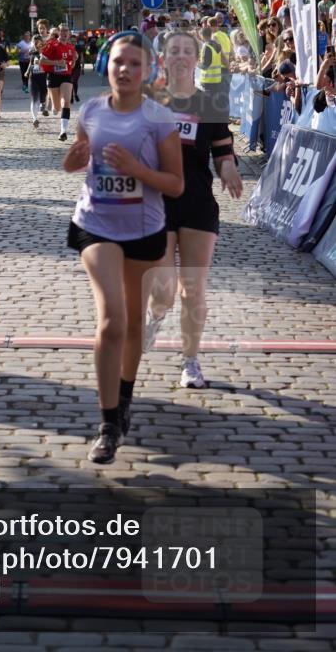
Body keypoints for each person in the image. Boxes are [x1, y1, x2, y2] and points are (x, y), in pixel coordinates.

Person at [63, 31, 183, 463]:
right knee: (112, 319)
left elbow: (175, 183)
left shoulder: (158, 120)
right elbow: (76, 161)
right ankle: (108, 422)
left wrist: (136, 169)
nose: (125, 70)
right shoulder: (91, 111)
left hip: (145, 228)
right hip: (95, 224)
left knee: (133, 323)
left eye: (134, 63)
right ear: (105, 65)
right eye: (118, 62)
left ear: (148, 69)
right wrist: (73, 160)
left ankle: (125, 395)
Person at [145, 31, 243, 388]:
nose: (182, 57)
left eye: (188, 51)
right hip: (157, 205)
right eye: (175, 51)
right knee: (163, 291)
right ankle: (155, 317)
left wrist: (229, 169)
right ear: (165, 58)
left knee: (194, 289)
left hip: (199, 205)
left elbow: (223, 153)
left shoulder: (210, 105)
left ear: (196, 58)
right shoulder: (150, 104)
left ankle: (190, 361)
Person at [41, 23, 77, 141]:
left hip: (66, 76)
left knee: (66, 102)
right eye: (62, 31)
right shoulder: (52, 44)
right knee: (56, 107)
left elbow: (72, 62)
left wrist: (72, 62)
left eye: (66, 31)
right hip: (53, 76)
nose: (64, 33)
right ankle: (54, 107)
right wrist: (56, 63)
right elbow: (42, 61)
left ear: (69, 33)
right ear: (59, 33)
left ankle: (63, 131)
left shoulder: (71, 47)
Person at [26, 34, 49, 127]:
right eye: (34, 42)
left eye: (37, 42)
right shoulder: (31, 52)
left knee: (43, 95)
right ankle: (34, 119)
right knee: (34, 98)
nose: (36, 44)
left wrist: (42, 61)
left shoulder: (46, 51)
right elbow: (30, 63)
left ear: (41, 42)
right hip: (33, 77)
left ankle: (43, 104)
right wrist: (27, 71)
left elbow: (49, 62)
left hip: (43, 77)